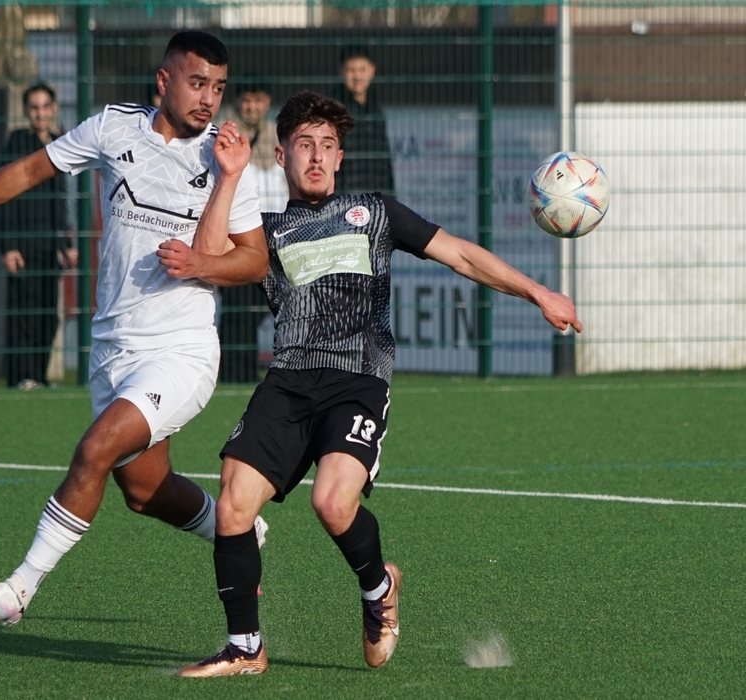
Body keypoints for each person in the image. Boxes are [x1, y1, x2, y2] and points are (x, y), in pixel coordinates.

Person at [176, 91, 582, 676]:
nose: (317, 156)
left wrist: (539, 293)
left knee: (331, 502)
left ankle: (378, 588)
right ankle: (245, 647)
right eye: (304, 145)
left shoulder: (374, 212)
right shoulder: (265, 231)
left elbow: (461, 256)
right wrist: (230, 176)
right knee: (234, 504)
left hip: (357, 381)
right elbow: (206, 257)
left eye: (328, 146)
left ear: (341, 158)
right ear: (282, 154)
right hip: (288, 380)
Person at [0, 31, 270, 626]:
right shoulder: (114, 128)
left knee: (94, 450)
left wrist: (202, 264)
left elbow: (256, 260)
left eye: (218, 87)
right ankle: (238, 530)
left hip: (182, 351)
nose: (208, 99)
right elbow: (29, 170)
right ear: (164, 80)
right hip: (113, 347)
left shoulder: (225, 159)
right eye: (197, 83)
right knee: (144, 491)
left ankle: (19, 588)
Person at [0, 82, 77, 390]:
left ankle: (40, 378)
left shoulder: (58, 143)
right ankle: (20, 377)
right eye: (34, 107)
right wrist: (8, 247)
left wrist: (65, 245)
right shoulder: (17, 142)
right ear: (26, 111)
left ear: (53, 109)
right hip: (22, 244)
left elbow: (59, 202)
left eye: (45, 107)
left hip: (49, 247)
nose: (40, 113)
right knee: (23, 314)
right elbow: (3, 196)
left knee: (48, 316)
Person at [216, 80, 287, 383]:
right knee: (238, 308)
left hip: (275, 235)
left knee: (260, 307)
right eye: (247, 100)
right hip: (237, 234)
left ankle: (245, 370)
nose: (252, 107)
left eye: (258, 100)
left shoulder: (277, 133)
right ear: (238, 102)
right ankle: (234, 372)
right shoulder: (224, 130)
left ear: (267, 101)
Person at [333, 47, 394, 196]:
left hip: (376, 196)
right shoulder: (333, 109)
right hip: (344, 197)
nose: (357, 76)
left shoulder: (376, 110)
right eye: (351, 70)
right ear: (341, 71)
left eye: (362, 70)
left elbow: (384, 160)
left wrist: (390, 198)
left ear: (372, 70)